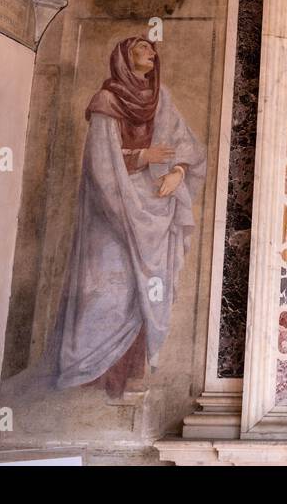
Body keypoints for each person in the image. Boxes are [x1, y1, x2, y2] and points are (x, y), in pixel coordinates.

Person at [53, 37, 204, 397]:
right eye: (142, 49)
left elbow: (187, 146)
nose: (151, 54)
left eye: (152, 50)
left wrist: (178, 173)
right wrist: (142, 157)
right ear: (124, 58)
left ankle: (129, 376)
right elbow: (101, 164)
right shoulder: (107, 101)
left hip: (154, 206)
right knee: (106, 292)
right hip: (113, 212)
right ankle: (90, 376)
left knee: (142, 293)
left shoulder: (161, 98)